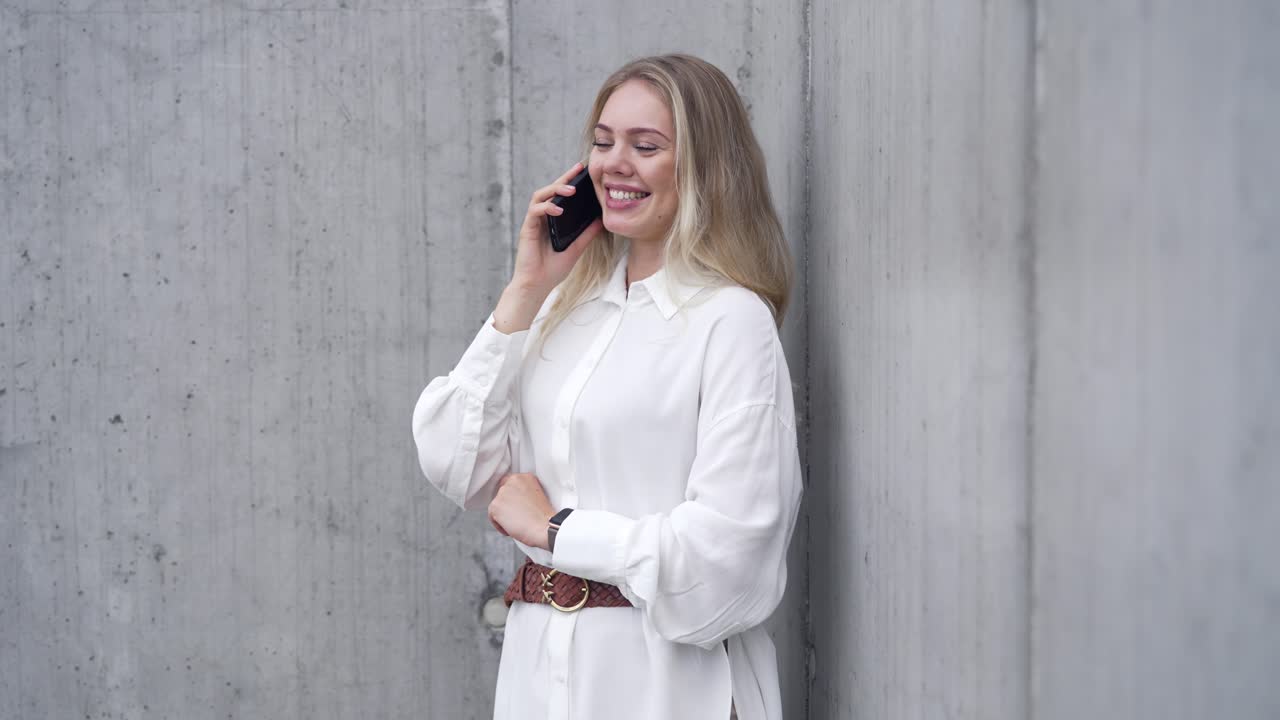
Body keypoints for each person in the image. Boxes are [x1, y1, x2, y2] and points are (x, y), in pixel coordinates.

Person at [411, 53, 802, 720]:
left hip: (668, 692)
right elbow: (455, 462)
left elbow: (731, 566)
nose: (614, 163)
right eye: (602, 141)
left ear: (705, 167)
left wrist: (561, 531)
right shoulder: (565, 310)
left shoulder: (730, 322)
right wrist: (525, 290)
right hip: (540, 685)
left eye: (646, 146)